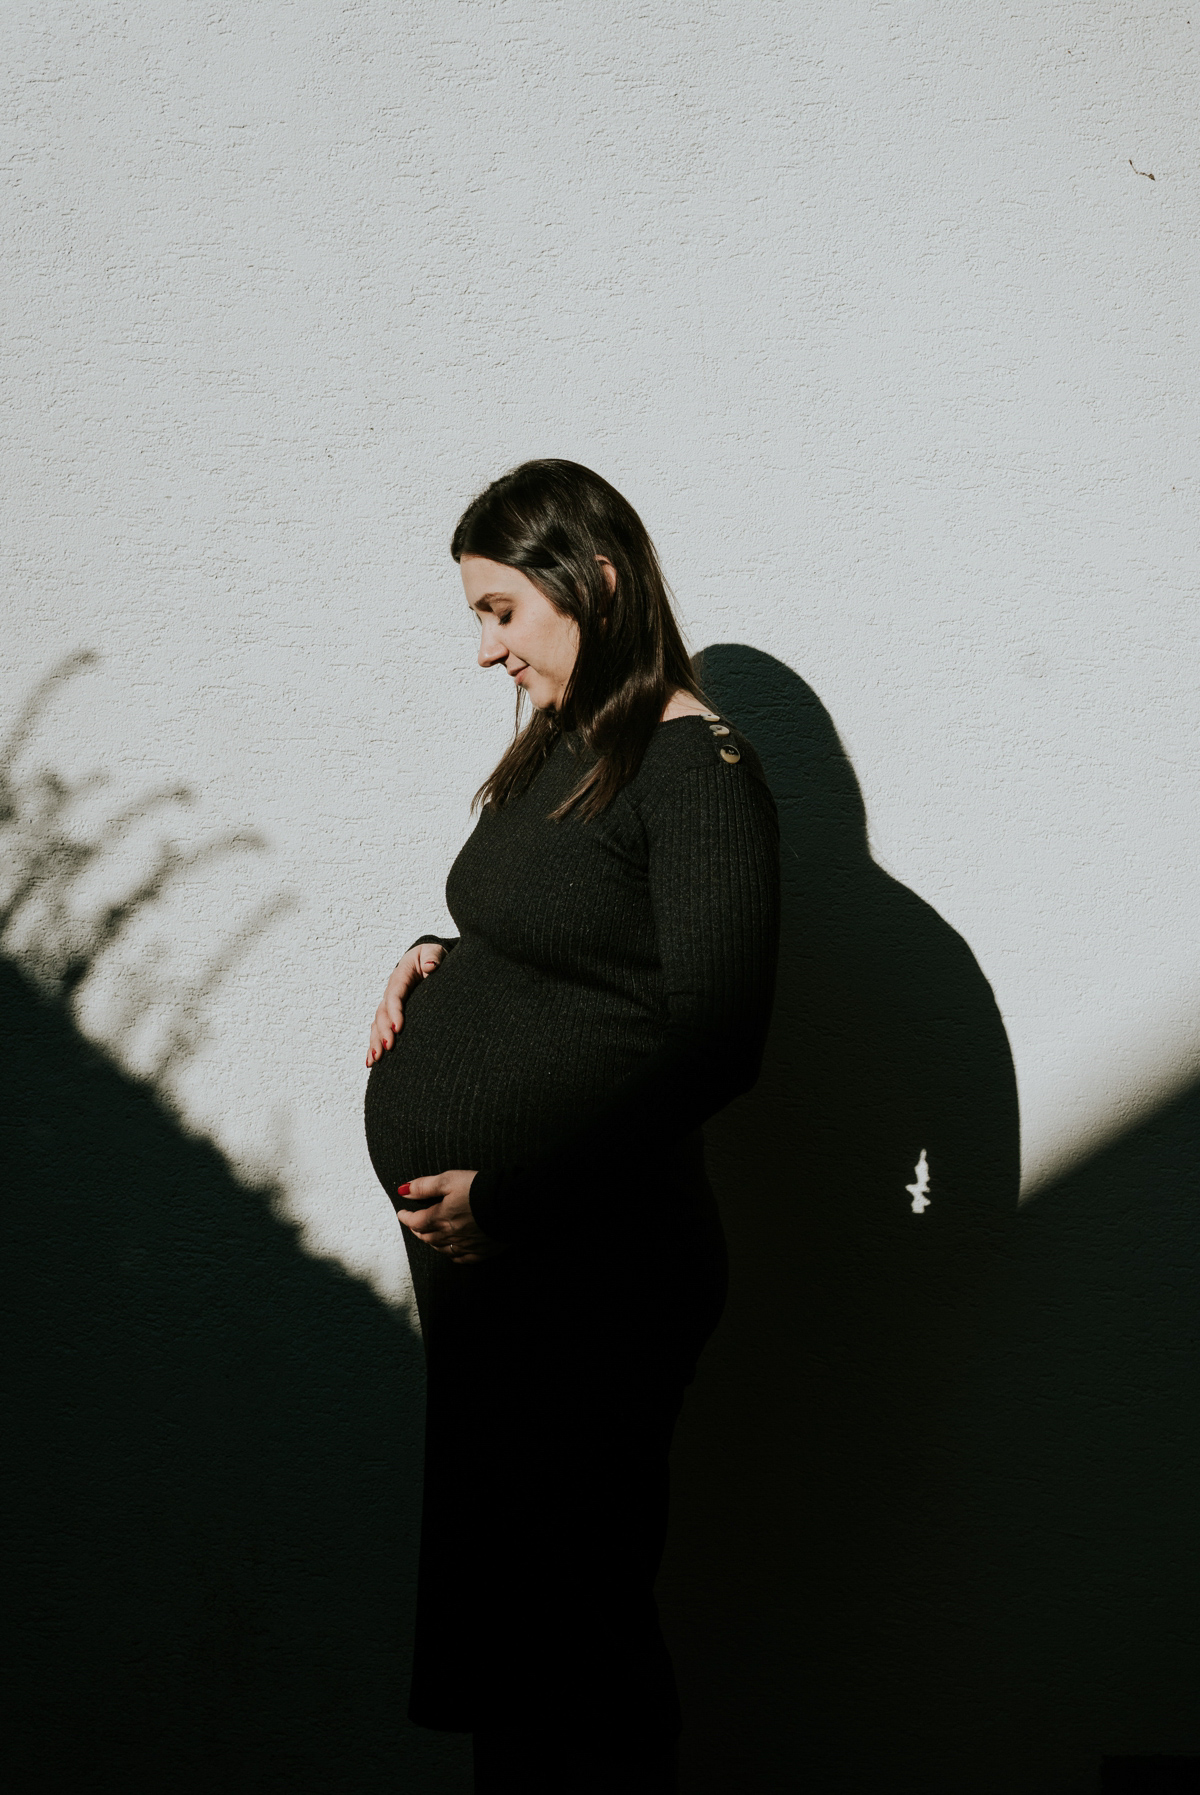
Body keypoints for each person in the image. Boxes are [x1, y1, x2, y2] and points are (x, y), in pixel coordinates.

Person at [363, 460, 780, 1794]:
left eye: (500, 613)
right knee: (509, 1631)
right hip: (510, 1276)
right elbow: (567, 945)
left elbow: (717, 1042)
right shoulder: (571, 748)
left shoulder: (694, 766)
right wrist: (441, 959)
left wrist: (519, 1202)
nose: (484, 650)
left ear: (592, 583)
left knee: (579, 1635)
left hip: (595, 1270)